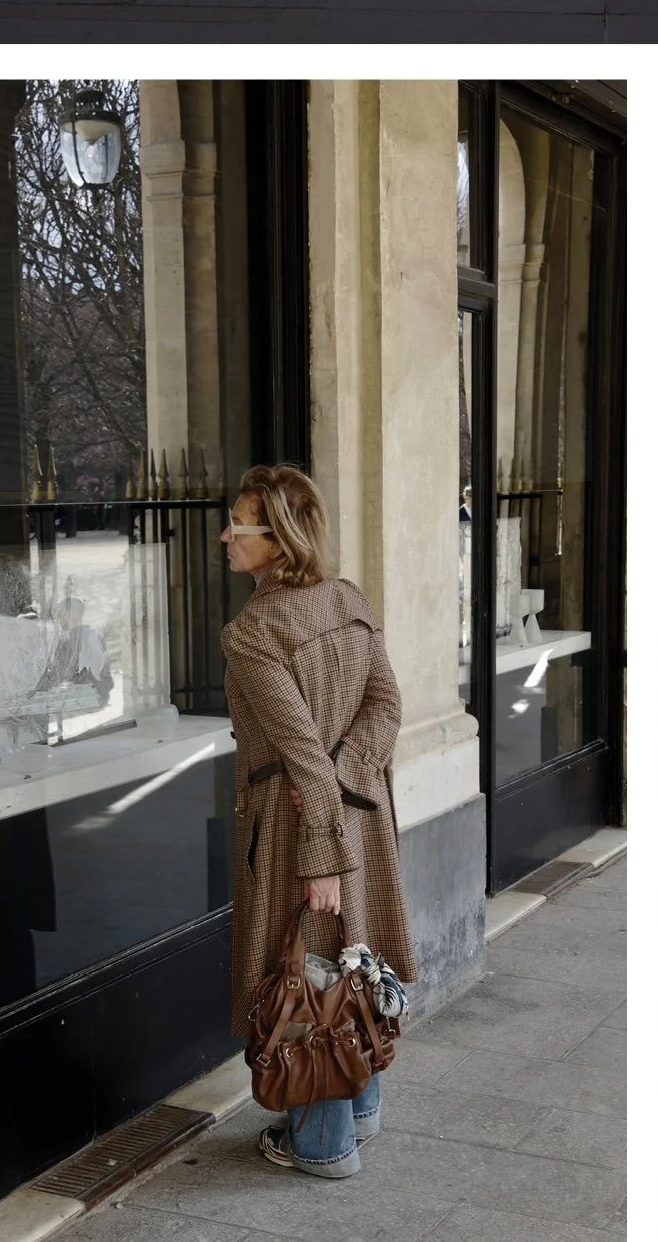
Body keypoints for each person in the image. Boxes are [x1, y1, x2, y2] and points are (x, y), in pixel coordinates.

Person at [222, 464, 415, 1181]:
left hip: (299, 828)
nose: (225, 536)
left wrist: (321, 854)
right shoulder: (348, 600)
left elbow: (302, 755)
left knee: (305, 974)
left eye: (237, 526)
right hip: (357, 816)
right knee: (351, 960)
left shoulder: (252, 632)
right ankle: (360, 1109)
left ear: (277, 539)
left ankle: (323, 1143)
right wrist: (350, 781)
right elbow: (385, 709)